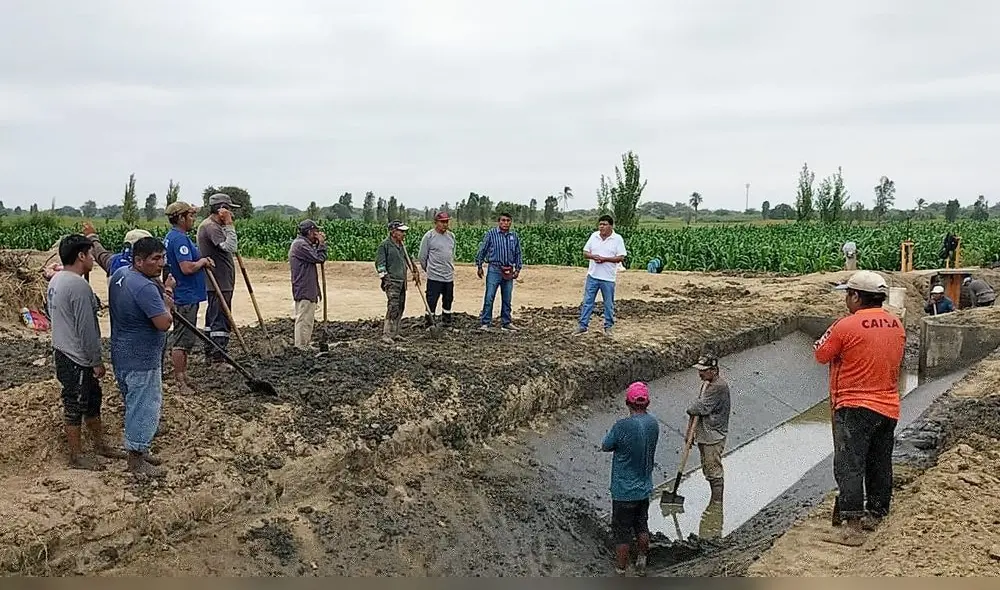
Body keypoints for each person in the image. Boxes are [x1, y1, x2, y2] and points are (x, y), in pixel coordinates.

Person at [815, 270, 906, 547]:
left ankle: (852, 525)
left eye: (847, 294)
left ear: (856, 296)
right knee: (879, 462)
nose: (846, 299)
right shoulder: (895, 325)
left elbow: (821, 354)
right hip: (888, 405)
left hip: (853, 405)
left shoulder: (845, 326)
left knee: (850, 465)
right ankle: (877, 513)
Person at [47, 234, 126, 470]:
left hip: (62, 349)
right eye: (91, 254)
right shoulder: (78, 286)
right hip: (76, 356)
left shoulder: (57, 279)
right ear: (81, 256)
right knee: (75, 403)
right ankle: (77, 454)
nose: (93, 258)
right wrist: (95, 361)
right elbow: (87, 329)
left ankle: (100, 445)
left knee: (92, 399)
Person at [109, 237, 175, 477]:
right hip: (142, 358)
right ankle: (136, 459)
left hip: (122, 353)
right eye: (155, 259)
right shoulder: (145, 288)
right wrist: (167, 299)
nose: (161, 264)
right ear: (139, 260)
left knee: (133, 403)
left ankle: (140, 448)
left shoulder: (120, 276)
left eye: (163, 257)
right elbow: (163, 323)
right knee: (144, 407)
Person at [600, 382, 659, 576]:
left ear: (628, 402)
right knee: (642, 524)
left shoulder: (622, 426)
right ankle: (642, 561)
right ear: (647, 402)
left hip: (624, 491)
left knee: (622, 533)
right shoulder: (653, 424)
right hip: (644, 487)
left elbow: (606, 445)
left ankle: (621, 570)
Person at [164, 201, 214, 393]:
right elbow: (186, 267)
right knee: (182, 341)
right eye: (190, 216)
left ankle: (183, 374)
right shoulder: (179, 240)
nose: (193, 219)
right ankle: (180, 381)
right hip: (185, 296)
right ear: (181, 218)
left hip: (187, 295)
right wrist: (201, 261)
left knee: (186, 339)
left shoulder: (174, 237)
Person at [197, 193, 239, 364]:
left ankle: (212, 351)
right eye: (229, 210)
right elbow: (230, 246)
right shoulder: (211, 227)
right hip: (219, 282)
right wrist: (229, 225)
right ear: (222, 209)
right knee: (220, 318)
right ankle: (217, 356)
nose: (232, 215)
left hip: (222, 281)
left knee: (214, 316)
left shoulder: (214, 226)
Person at [685, 354, 731, 504]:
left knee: (713, 470)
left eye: (703, 370)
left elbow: (699, 407)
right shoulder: (706, 384)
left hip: (714, 435)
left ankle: (717, 503)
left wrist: (691, 409)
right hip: (705, 433)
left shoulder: (718, 387)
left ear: (714, 370)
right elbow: (697, 409)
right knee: (708, 469)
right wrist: (689, 432)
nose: (700, 373)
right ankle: (715, 501)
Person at [575, 215, 628, 336]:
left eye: (604, 224)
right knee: (588, 301)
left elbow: (621, 257)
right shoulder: (594, 236)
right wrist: (593, 256)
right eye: (600, 224)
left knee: (608, 303)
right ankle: (583, 326)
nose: (601, 227)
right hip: (593, 275)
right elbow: (585, 252)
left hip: (608, 278)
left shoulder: (617, 239)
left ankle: (608, 326)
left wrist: (605, 259)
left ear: (611, 226)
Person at [475, 212, 523, 331]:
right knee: (489, 296)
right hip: (494, 269)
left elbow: (518, 253)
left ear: (511, 222)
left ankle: (506, 322)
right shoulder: (491, 234)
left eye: (508, 220)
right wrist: (479, 265)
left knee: (507, 298)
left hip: (508, 270)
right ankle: (486, 322)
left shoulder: (514, 236)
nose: (505, 223)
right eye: (503, 220)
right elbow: (483, 249)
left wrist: (517, 269)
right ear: (499, 222)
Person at [288, 219, 328, 349]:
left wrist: (318, 244)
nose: (317, 234)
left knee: (308, 318)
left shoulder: (303, 244)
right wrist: (321, 243)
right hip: (304, 287)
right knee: (304, 318)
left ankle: (305, 343)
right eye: (315, 232)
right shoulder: (300, 245)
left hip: (307, 287)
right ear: (310, 232)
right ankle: (301, 346)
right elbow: (319, 258)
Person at [375, 221, 413, 344]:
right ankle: (386, 334)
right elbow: (380, 264)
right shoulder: (384, 245)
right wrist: (385, 279)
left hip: (402, 282)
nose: (403, 234)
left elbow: (408, 260)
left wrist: (415, 271)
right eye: (401, 231)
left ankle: (395, 332)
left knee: (401, 306)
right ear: (393, 232)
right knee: (393, 307)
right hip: (392, 282)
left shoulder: (402, 246)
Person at [418, 211, 456, 329]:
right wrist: (429, 270)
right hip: (434, 276)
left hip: (448, 276)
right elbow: (422, 257)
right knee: (432, 301)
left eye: (446, 222)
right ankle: (429, 323)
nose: (445, 224)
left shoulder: (451, 236)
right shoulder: (429, 236)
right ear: (436, 223)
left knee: (448, 300)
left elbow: (452, 254)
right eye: (442, 222)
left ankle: (446, 323)